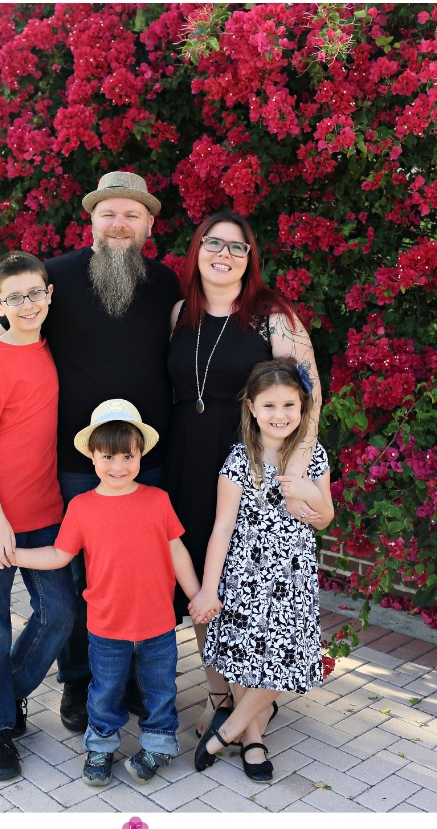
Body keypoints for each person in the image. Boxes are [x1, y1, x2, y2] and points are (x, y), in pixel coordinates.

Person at [0, 172, 180, 732]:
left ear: (148, 224)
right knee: (79, 578)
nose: (119, 224)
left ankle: (139, 682)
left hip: (148, 458)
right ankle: (79, 685)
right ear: (91, 219)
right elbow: (11, 330)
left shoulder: (168, 283)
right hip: (77, 465)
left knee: (145, 573)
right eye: (109, 214)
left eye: (131, 215)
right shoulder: (58, 278)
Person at [163, 210, 323, 738]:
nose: (224, 255)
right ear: (198, 250)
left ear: (249, 258)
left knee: (243, 581)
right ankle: (217, 691)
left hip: (246, 462)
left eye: (237, 247)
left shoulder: (271, 315)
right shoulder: (180, 313)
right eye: (214, 244)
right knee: (203, 582)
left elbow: (307, 389)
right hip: (187, 456)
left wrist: (296, 472)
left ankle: (251, 703)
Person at [0, 399, 216, 786]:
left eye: (127, 456)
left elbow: (178, 552)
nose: (119, 467)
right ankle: (100, 745)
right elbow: (59, 554)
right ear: (92, 456)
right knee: (104, 691)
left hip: (157, 625)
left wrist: (198, 594)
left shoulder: (157, 500)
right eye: (109, 456)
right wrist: (14, 554)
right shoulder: (82, 508)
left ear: (140, 454)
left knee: (160, 690)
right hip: (106, 626)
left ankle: (159, 745)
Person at [190, 358, 334, 781]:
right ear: (252, 408)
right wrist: (208, 589)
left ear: (303, 407)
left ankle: (230, 728)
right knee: (241, 659)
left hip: (293, 579)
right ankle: (252, 738)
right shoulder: (240, 460)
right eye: (269, 405)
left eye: (289, 405)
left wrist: (311, 492)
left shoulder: (313, 456)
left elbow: (325, 518)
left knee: (290, 659)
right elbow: (221, 529)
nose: (280, 415)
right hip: (244, 580)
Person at [0, 250, 76, 781]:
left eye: (36, 293)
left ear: (50, 294)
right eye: (15, 297)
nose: (28, 304)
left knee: (59, 612)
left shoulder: (50, 348)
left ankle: (1, 699)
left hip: (46, 508)